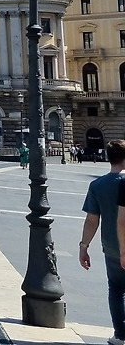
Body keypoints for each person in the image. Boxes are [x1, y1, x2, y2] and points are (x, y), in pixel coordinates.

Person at [81, 139, 125, 345]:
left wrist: (84, 246)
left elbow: (92, 220)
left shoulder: (97, 185)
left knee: (116, 289)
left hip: (112, 246)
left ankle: (120, 335)